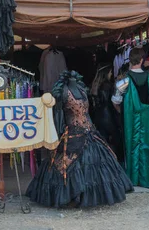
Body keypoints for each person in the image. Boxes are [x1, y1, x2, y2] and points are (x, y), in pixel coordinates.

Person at [26, 71, 133, 208]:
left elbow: (86, 113)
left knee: (98, 163)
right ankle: (72, 196)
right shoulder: (62, 92)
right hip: (71, 134)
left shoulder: (82, 89)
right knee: (67, 166)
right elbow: (58, 117)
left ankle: (91, 197)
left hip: (89, 132)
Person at [112, 47, 149, 188]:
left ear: (130, 60)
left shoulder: (123, 82)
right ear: (142, 60)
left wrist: (122, 112)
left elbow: (115, 101)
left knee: (132, 147)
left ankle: (134, 178)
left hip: (131, 120)